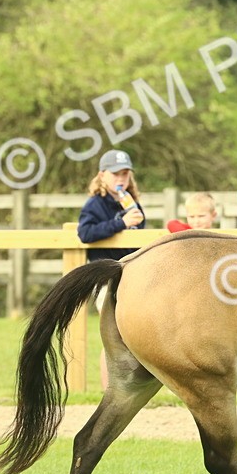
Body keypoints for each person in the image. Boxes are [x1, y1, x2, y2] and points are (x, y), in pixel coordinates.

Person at [78, 149, 145, 391]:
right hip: (106, 278)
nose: (121, 179)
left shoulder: (130, 202)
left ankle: (130, 388)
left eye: (125, 174)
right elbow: (85, 233)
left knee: (134, 334)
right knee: (113, 336)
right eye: (116, 174)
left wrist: (136, 223)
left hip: (131, 276)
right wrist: (121, 223)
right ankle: (110, 390)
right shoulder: (95, 204)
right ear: (102, 176)